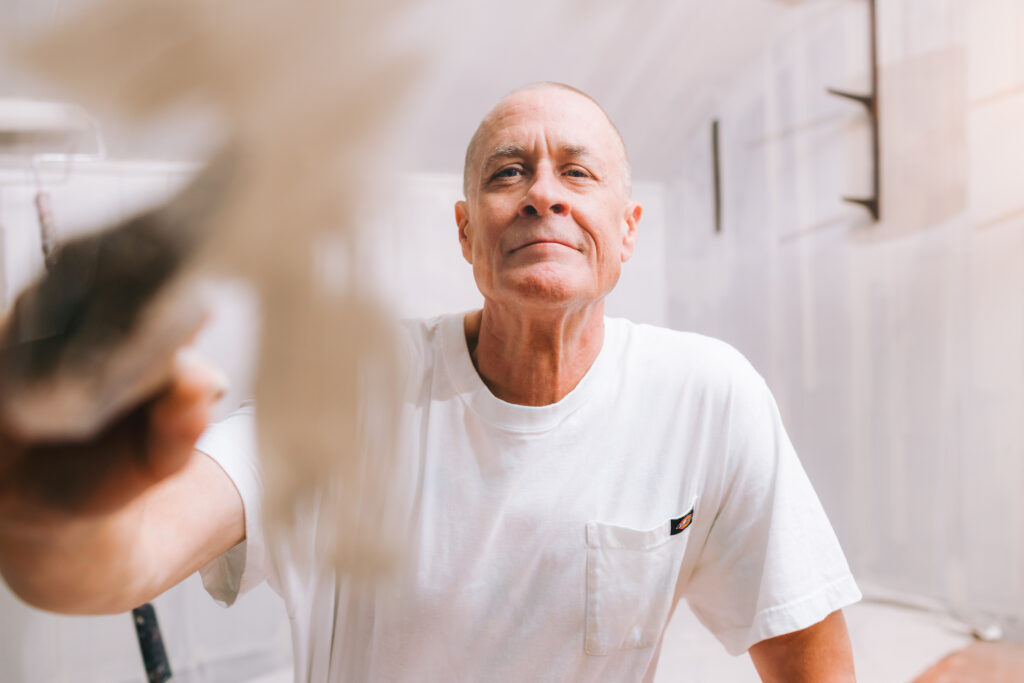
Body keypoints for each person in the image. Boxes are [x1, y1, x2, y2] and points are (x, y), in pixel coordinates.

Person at [0, 82, 860, 681]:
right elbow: (121, 558)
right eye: (507, 171)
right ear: (464, 230)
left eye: (579, 172)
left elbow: (812, 658)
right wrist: (43, 511)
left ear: (627, 231)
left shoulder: (707, 398)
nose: (543, 196)